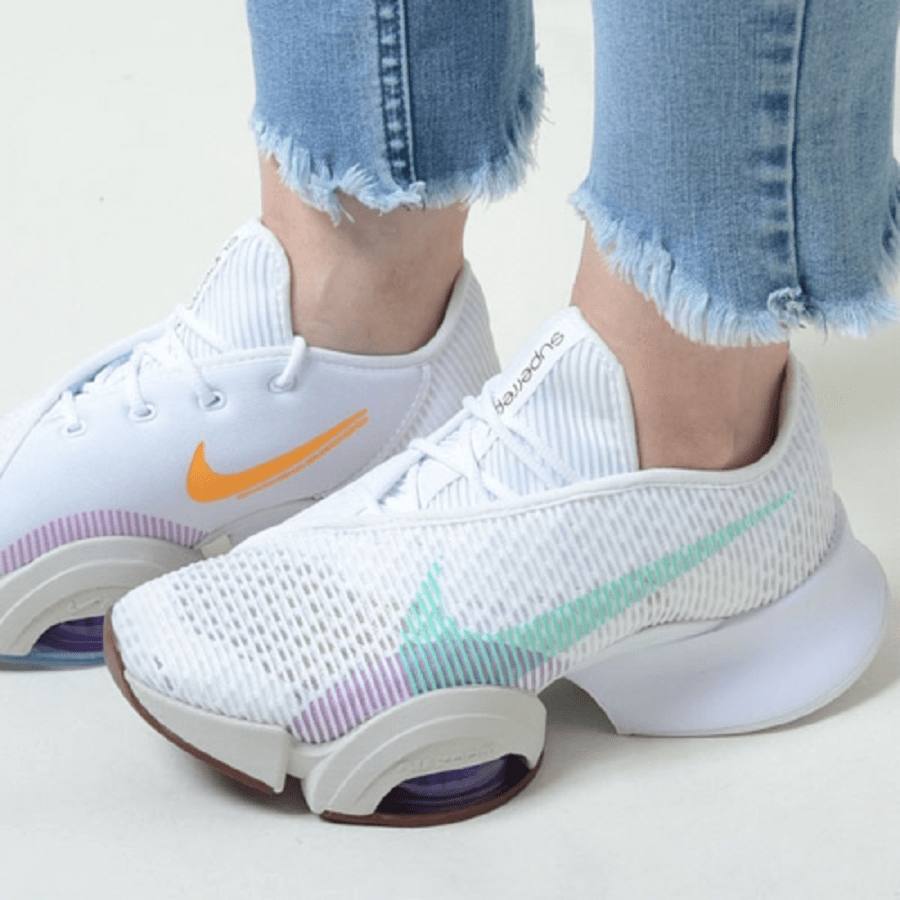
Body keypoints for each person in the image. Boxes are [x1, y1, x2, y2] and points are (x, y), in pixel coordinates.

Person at [2, 0, 897, 823]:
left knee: (684, 339)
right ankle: (352, 307)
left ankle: (691, 423)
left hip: (713, 487)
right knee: (349, 214)